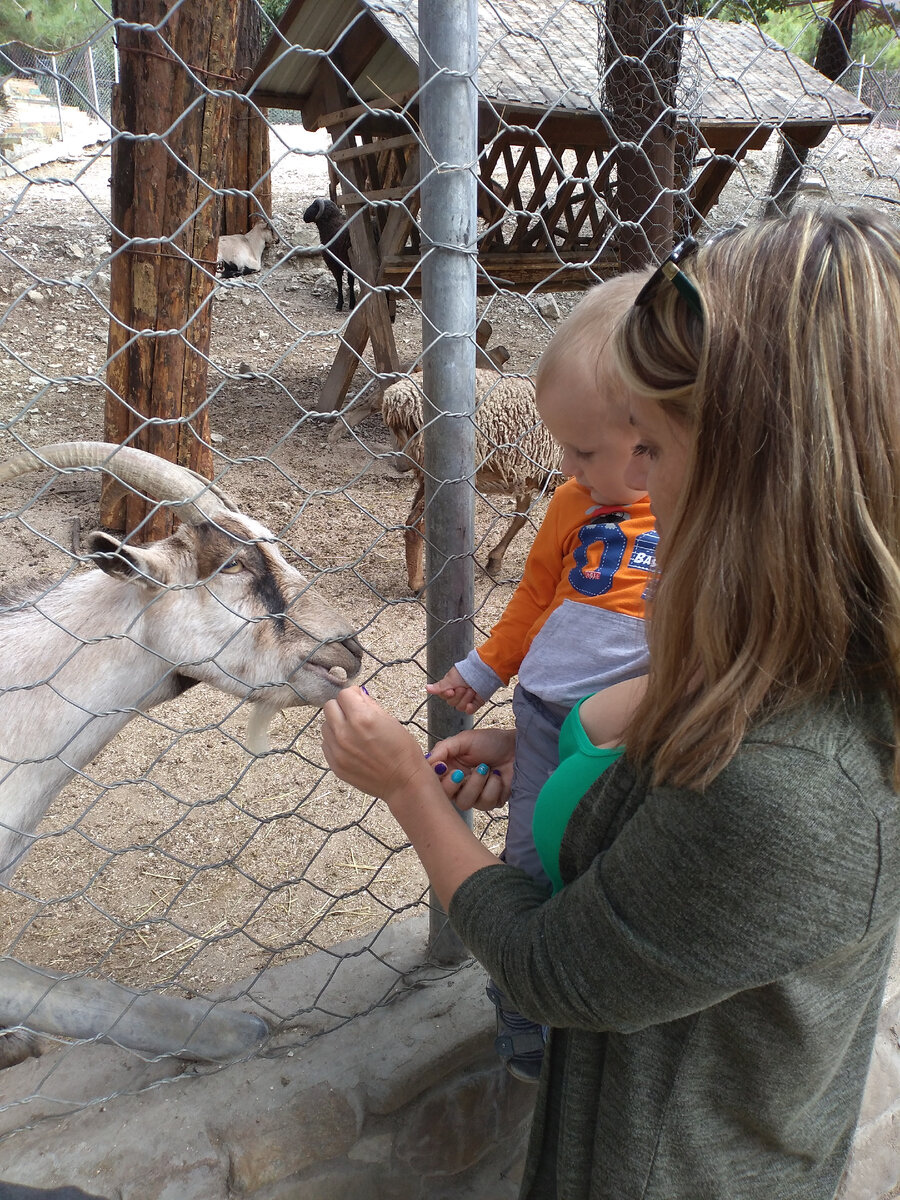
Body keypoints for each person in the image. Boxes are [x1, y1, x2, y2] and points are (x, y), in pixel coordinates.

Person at [322, 205, 900, 1200]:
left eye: (658, 456)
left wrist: (404, 789)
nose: (636, 494)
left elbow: (553, 968)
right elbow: (670, 816)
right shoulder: (792, 657)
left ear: (759, 475)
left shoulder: (794, 791)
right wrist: (551, 757)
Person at [426, 273, 657, 1078]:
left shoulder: (696, 514)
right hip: (547, 710)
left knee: (609, 864)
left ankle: (592, 1004)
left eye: (584, 451)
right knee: (530, 856)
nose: (565, 466)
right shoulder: (572, 503)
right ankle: (521, 1010)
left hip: (640, 724)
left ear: (657, 434)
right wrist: (482, 674)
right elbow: (533, 598)